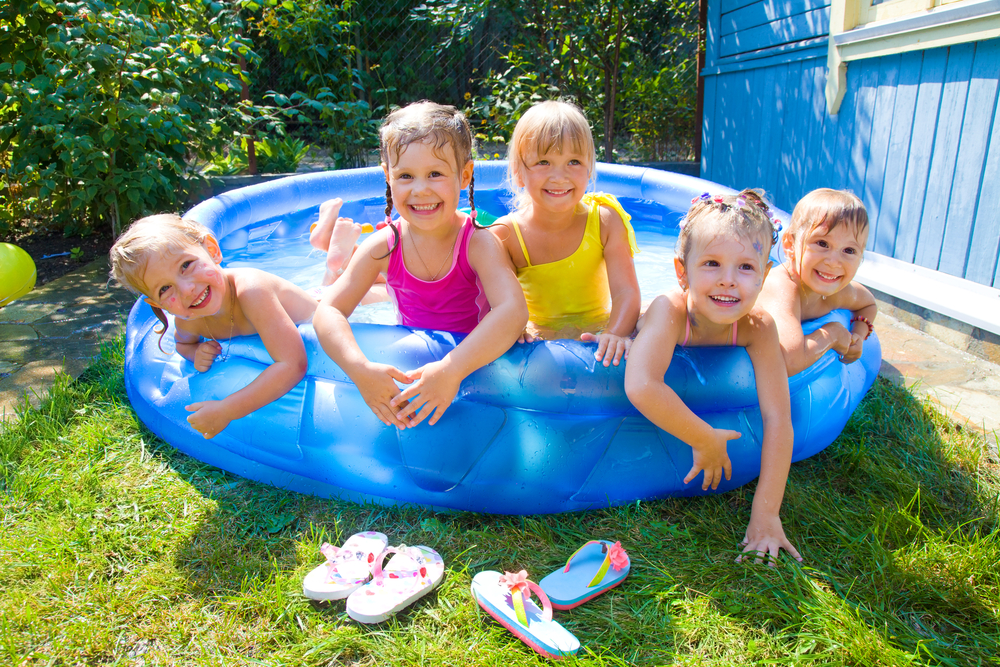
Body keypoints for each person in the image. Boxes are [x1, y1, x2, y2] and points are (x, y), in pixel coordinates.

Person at [312, 101, 527, 430]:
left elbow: (512, 312)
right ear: (388, 176)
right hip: (416, 360)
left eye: (435, 174)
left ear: (464, 174)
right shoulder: (383, 246)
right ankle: (335, 253)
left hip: (473, 369)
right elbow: (327, 310)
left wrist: (452, 369)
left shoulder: (478, 244)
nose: (420, 189)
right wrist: (360, 370)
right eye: (406, 176)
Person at [624, 190, 801, 565]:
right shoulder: (669, 310)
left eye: (746, 268)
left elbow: (778, 418)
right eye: (711, 264)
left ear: (766, 275)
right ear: (681, 272)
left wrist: (766, 513)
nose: (728, 281)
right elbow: (641, 384)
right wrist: (703, 437)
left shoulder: (759, 327)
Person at [109, 214, 316, 440]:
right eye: (165, 289)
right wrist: (195, 352)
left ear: (212, 249)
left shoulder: (252, 292)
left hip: (320, 314)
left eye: (186, 265)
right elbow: (182, 343)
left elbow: (292, 364)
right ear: (156, 304)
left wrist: (227, 409)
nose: (186, 289)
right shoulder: (189, 318)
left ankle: (333, 247)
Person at [490, 100, 640, 367]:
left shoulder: (605, 221)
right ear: (519, 172)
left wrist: (615, 334)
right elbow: (493, 304)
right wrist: (512, 330)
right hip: (539, 345)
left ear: (590, 169)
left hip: (600, 333)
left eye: (573, 162)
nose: (559, 177)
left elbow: (626, 293)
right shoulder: (506, 235)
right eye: (544, 162)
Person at [757, 189, 877, 376]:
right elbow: (788, 361)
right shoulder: (781, 287)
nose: (833, 262)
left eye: (849, 250)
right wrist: (832, 334)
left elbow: (869, 303)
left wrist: (859, 334)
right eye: (822, 244)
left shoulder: (839, 292)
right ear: (789, 244)